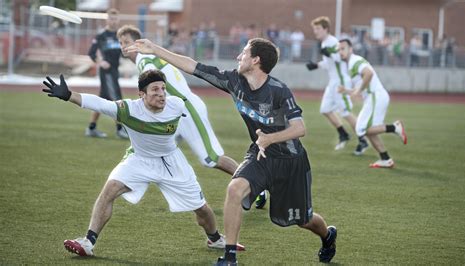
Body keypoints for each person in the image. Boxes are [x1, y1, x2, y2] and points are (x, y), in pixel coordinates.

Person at [126, 37, 338, 264]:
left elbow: (299, 128)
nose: (239, 56)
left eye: (244, 53)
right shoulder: (234, 81)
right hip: (260, 155)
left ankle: (328, 235)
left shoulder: (279, 91)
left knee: (303, 220)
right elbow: (193, 66)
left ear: (255, 60)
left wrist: (270, 138)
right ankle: (229, 257)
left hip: (291, 162)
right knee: (235, 189)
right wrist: (154, 50)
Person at [41, 70, 244, 257]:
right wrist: (68, 95)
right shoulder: (128, 109)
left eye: (163, 89)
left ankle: (215, 239)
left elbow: (196, 120)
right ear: (142, 94)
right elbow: (98, 103)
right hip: (139, 159)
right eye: (155, 89)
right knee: (109, 190)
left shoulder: (177, 105)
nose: (161, 94)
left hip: (171, 162)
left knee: (202, 209)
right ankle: (88, 242)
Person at [117, 25, 239, 176]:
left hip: (187, 110)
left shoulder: (144, 58)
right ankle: (124, 179)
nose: (123, 46)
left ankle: (251, 182)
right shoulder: (146, 58)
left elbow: (153, 80)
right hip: (174, 112)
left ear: (137, 43)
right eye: (121, 42)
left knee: (211, 159)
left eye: (126, 41)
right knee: (146, 148)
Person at [337, 39, 408, 168]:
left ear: (350, 49)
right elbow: (359, 87)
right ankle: (385, 159)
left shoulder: (354, 61)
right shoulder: (352, 64)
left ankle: (395, 127)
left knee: (361, 129)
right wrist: (346, 91)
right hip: (374, 97)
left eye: (343, 48)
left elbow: (369, 74)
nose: (340, 52)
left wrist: (358, 90)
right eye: (339, 49)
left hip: (376, 96)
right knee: (366, 130)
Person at [306, 16, 369, 155]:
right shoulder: (324, 43)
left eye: (318, 28)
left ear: (326, 29)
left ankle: (363, 139)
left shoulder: (333, 42)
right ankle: (343, 134)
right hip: (333, 82)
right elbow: (330, 64)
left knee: (346, 113)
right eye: (314, 29)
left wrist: (330, 53)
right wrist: (316, 65)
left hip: (341, 82)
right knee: (325, 109)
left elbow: (341, 58)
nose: (315, 31)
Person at [86, 8, 128, 139]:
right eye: (111, 18)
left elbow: (123, 53)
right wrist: (101, 62)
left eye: (115, 19)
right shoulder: (101, 35)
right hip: (106, 72)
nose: (113, 21)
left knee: (102, 100)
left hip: (114, 71)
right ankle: (120, 129)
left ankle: (91, 128)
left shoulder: (120, 36)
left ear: (118, 20)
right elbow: (91, 53)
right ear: (107, 19)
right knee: (116, 100)